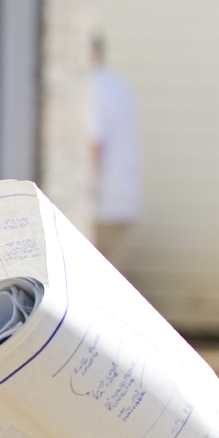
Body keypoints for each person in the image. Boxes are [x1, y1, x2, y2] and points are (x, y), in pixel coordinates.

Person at [89, 34, 141, 266]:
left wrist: (85, 193)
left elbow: (93, 145)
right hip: (124, 201)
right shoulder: (117, 84)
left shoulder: (91, 86)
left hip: (101, 207)